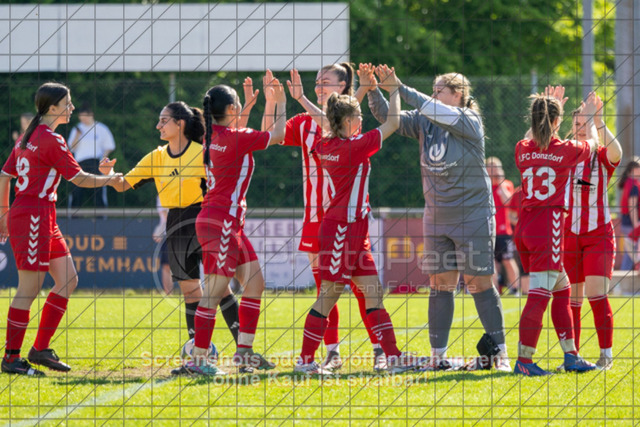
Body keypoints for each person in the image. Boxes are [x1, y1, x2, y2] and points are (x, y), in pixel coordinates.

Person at [365, 66, 510, 371]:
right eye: (432, 90)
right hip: (436, 217)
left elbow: (430, 107)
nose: (433, 95)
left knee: (479, 284)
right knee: (440, 285)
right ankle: (438, 357)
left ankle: (501, 356)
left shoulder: (468, 119)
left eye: (439, 90)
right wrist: (373, 89)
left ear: (458, 94)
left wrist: (401, 88)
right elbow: (387, 116)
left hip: (472, 215)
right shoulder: (425, 119)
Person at [294, 65, 425, 375]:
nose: (362, 120)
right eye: (358, 116)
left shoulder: (327, 143)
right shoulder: (354, 146)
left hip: (352, 230)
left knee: (373, 294)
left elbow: (328, 121)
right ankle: (305, 361)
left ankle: (392, 357)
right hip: (342, 230)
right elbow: (393, 122)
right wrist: (394, 90)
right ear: (347, 122)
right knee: (328, 296)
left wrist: (309, 100)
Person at [100, 100, 245, 374]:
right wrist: (109, 176)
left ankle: (244, 351)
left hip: (205, 219)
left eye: (163, 120)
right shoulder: (156, 157)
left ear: (180, 123)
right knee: (190, 291)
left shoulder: (203, 153)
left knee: (220, 287)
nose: (158, 125)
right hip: (176, 223)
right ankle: (198, 356)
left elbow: (229, 181)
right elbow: (124, 184)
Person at [263, 64, 384, 372]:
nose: (318, 86)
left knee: (364, 288)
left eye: (325, 82)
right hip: (317, 219)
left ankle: (380, 349)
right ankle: (332, 352)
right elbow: (271, 135)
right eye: (316, 82)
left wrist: (363, 90)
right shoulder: (304, 122)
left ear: (343, 87)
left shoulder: (349, 121)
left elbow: (336, 118)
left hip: (351, 219)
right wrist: (274, 101)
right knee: (326, 290)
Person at [0, 82, 123, 376]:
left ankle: (39, 350)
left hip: (40, 214)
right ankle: (11, 358)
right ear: (52, 107)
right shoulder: (50, 139)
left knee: (67, 279)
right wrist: (110, 179)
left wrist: (4, 213)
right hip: (33, 215)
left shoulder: (30, 135)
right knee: (29, 288)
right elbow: (78, 178)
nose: (72, 107)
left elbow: (5, 175)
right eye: (67, 103)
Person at [185, 79, 287, 376]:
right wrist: (280, 102)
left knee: (255, 284)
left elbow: (238, 134)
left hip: (223, 222)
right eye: (238, 106)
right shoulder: (234, 137)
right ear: (231, 109)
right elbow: (278, 135)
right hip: (222, 223)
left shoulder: (214, 134)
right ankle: (199, 360)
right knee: (213, 293)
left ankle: (244, 353)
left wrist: (254, 105)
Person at [513, 86, 599, 376]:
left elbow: (532, 137)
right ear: (556, 121)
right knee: (539, 294)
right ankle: (524, 361)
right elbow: (594, 145)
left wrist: (547, 114)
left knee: (562, 290)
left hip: (526, 227)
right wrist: (590, 118)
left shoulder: (521, 148)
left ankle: (571, 355)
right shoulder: (566, 149)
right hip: (546, 228)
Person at [561, 95, 621, 371]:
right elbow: (534, 145)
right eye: (577, 124)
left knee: (597, 295)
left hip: (598, 235)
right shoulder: (563, 155)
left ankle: (605, 355)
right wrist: (550, 114)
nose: (582, 128)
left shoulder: (600, 155)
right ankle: (572, 356)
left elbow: (617, 153)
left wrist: (598, 120)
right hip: (569, 236)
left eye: (586, 123)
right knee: (571, 300)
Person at [68, 103, 116, 208]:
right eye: (81, 118)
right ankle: (74, 215)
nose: (83, 120)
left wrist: (104, 158)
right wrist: (77, 135)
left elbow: (110, 146)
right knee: (76, 191)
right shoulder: (77, 129)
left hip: (95, 162)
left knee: (98, 190)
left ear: (91, 115)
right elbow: (72, 148)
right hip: (79, 163)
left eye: (85, 117)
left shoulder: (101, 128)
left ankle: (101, 215)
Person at [486, 157, 520, 295]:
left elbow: (509, 202)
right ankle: (494, 289)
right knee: (491, 262)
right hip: (488, 230)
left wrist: (500, 184)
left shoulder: (506, 184)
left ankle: (514, 289)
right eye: (491, 168)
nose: (494, 171)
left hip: (504, 231)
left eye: (496, 167)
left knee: (508, 260)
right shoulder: (484, 185)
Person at [617, 158, 640, 270]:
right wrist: (636, 224)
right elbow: (632, 206)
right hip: (631, 223)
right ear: (633, 169)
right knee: (630, 255)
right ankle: (623, 276)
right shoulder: (633, 184)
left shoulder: (628, 182)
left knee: (629, 253)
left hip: (626, 222)